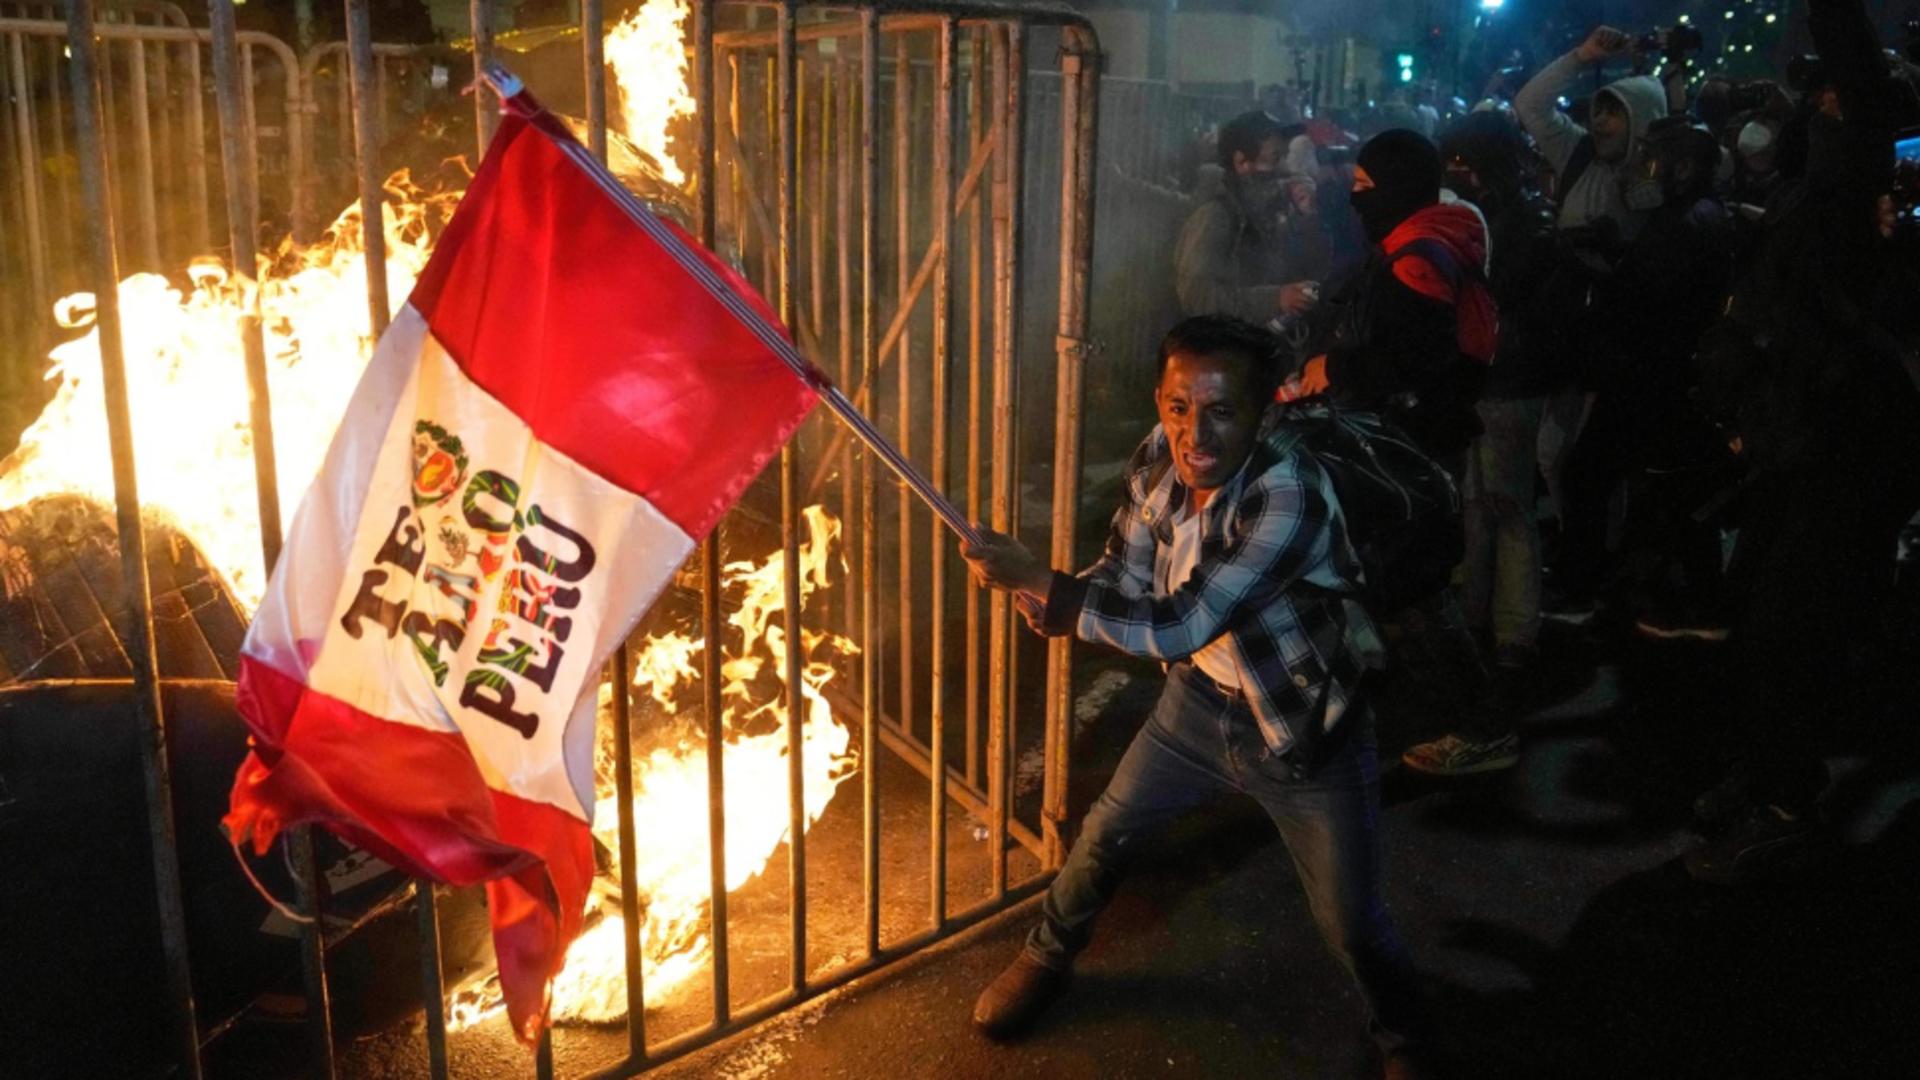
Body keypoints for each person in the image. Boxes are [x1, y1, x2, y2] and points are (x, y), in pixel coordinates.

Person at [960, 315, 1427, 1079]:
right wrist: (1065, 601)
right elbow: (1127, 570)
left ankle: (1406, 1040)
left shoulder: (1290, 494)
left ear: (1265, 412)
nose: (1194, 434)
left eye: (1221, 411)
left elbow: (1183, 621)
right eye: (1179, 407)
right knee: (1104, 834)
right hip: (1200, 706)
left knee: (1352, 925)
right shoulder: (1157, 455)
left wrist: (1045, 585)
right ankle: (1046, 957)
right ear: (1160, 401)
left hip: (1303, 727)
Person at [1286, 129, 1510, 778]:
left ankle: (1482, 727)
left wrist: (1339, 367)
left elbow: (1411, 360)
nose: (1356, 201)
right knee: (1395, 581)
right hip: (1416, 439)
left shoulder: (1421, 256)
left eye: (1365, 190)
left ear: (1398, 190)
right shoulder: (1431, 236)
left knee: (1417, 589)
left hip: (1413, 445)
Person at [1175, 111, 1326, 325]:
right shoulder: (1215, 216)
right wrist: (1276, 299)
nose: (1285, 168)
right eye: (1276, 158)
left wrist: (1307, 217)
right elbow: (1197, 298)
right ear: (1241, 162)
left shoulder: (1263, 210)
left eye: (1285, 156)